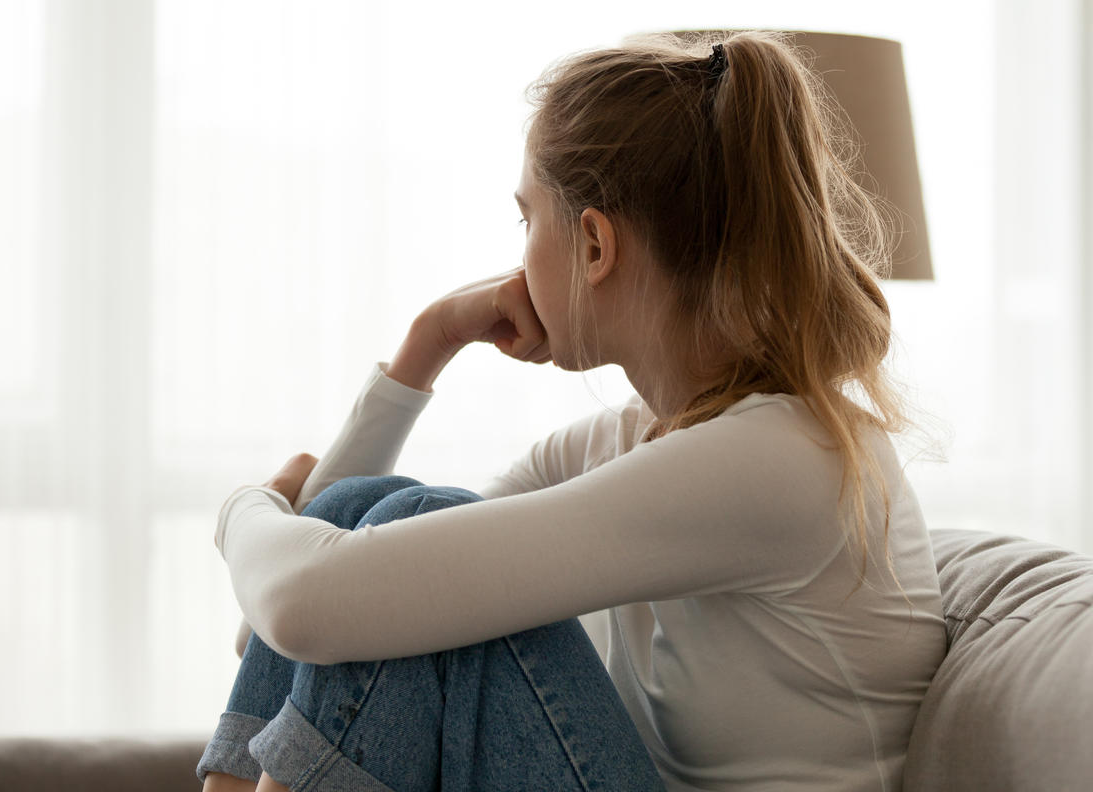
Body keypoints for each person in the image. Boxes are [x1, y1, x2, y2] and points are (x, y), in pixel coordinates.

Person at [197, 30, 947, 792]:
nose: (519, 255)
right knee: (377, 510)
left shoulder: (780, 460)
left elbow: (301, 606)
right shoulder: (636, 440)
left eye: (527, 221)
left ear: (594, 245)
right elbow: (328, 621)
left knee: (405, 519)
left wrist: (243, 511)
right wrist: (430, 341)